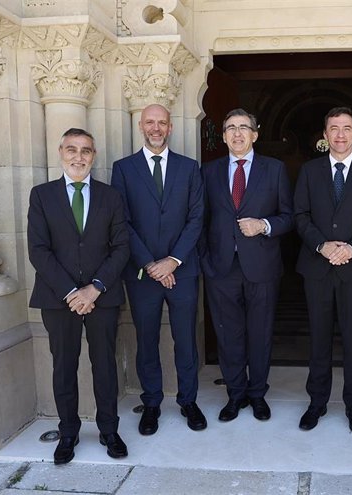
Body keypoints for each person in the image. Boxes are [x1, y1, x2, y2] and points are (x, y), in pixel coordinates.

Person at [27, 128, 129, 464]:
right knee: (64, 366)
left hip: (102, 295)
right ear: (61, 152)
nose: (79, 156)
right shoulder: (41, 196)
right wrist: (72, 292)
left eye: (86, 150)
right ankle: (68, 432)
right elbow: (39, 251)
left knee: (104, 366)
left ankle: (109, 429)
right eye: (72, 149)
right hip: (59, 299)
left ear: (94, 155)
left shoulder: (111, 196)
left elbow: (121, 247)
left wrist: (94, 288)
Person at [111, 104, 206, 435]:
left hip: (183, 270)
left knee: (185, 339)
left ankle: (188, 401)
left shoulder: (189, 167)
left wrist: (172, 261)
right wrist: (150, 263)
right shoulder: (123, 169)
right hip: (142, 274)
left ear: (170, 128)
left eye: (162, 122)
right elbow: (122, 221)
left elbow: (196, 218)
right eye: (150, 122)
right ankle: (151, 403)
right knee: (147, 338)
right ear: (141, 126)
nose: (156, 128)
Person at [293, 106, 352, 433]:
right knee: (318, 339)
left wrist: (351, 248)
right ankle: (316, 402)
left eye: (347, 128)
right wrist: (322, 245)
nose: (340, 134)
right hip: (317, 267)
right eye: (334, 128)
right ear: (325, 134)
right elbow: (300, 216)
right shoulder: (308, 171)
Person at [200, 108, 293, 422]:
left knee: (260, 333)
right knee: (229, 335)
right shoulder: (209, 171)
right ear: (223, 135)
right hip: (221, 267)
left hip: (262, 266)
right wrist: (205, 260)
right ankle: (235, 394)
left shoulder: (275, 169)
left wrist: (264, 225)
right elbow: (200, 219)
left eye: (243, 127)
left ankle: (257, 395)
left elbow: (289, 216)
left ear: (255, 133)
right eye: (230, 128)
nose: (237, 133)